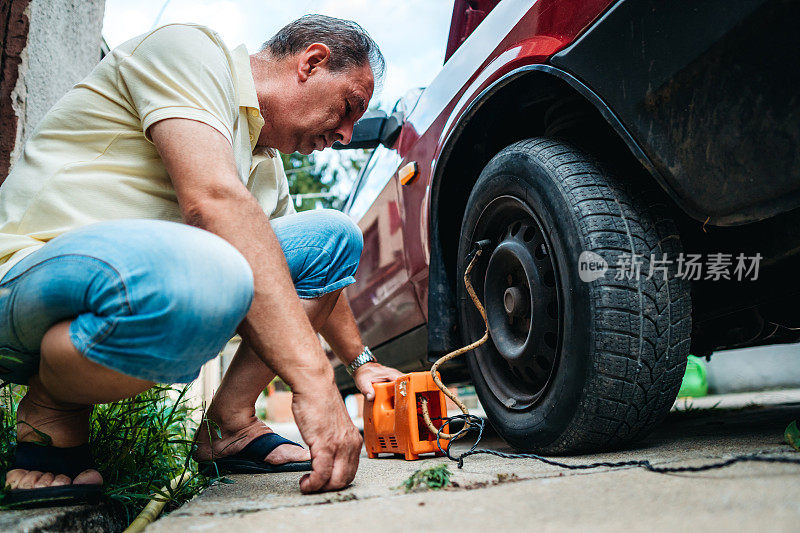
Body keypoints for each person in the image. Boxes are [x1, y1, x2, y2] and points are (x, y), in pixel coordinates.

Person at [0, 15, 403, 506]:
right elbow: (211, 203)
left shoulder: (265, 167)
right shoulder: (191, 51)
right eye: (348, 108)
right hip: (26, 277)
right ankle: (51, 412)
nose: (344, 134)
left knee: (331, 237)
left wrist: (362, 363)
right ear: (312, 63)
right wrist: (315, 384)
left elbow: (311, 269)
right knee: (211, 261)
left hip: (136, 295)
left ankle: (228, 424)